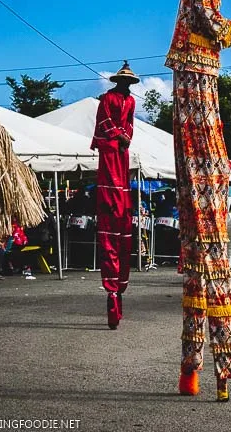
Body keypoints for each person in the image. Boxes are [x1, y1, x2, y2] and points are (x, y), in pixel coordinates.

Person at [165, 0, 231, 402]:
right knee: (201, 127)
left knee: (202, 131)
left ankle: (192, 372)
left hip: (198, 71)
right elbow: (213, 23)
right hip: (197, 67)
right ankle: (214, 374)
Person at [91, 61, 139, 330]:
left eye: (128, 83)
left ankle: (118, 293)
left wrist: (126, 137)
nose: (125, 86)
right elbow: (104, 122)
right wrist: (119, 135)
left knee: (122, 183)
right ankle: (112, 295)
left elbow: (130, 124)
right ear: (117, 82)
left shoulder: (130, 102)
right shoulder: (107, 98)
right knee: (111, 178)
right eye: (123, 83)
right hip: (110, 145)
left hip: (121, 147)